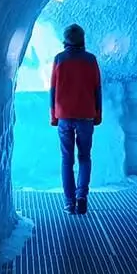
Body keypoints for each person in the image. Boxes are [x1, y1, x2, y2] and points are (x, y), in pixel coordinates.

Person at [49, 23, 102, 215]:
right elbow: (97, 89)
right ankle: (82, 197)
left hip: (64, 115)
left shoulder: (59, 59)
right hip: (86, 115)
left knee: (66, 159)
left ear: (65, 41)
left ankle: (69, 202)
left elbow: (53, 89)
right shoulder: (91, 60)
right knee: (85, 157)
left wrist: (53, 115)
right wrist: (98, 114)